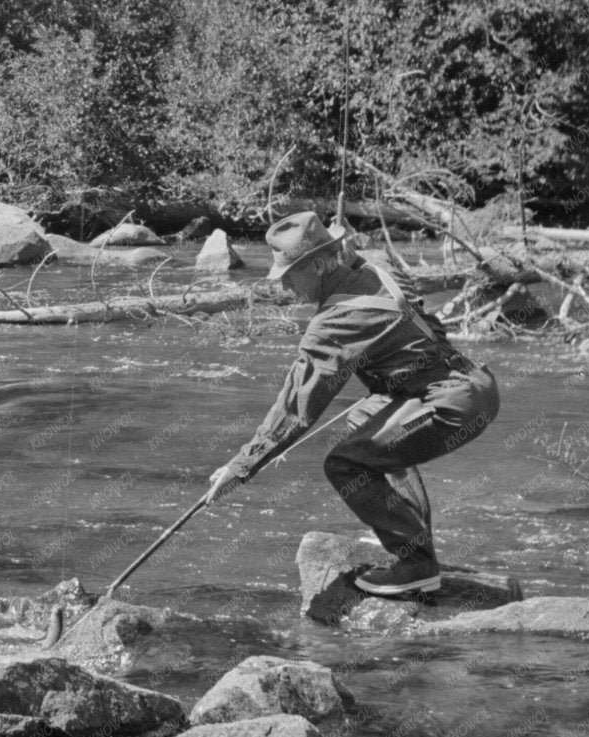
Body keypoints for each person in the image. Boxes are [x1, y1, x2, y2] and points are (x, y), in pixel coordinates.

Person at [202, 209, 500, 596]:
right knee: (364, 417)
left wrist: (241, 466)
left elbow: (296, 410)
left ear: (323, 264)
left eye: (291, 275)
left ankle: (416, 565)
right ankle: (412, 542)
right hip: (475, 382)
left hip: (452, 404)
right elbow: (427, 331)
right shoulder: (376, 269)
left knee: (344, 463)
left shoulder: (331, 325)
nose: (285, 287)